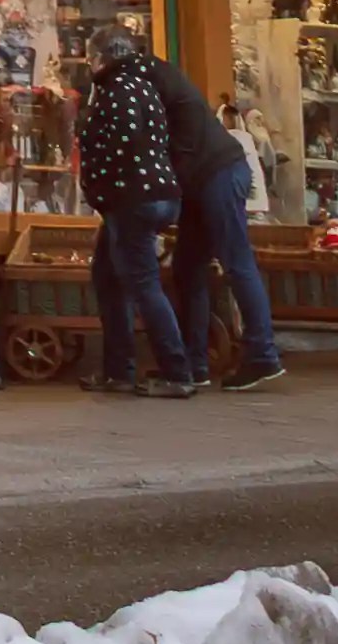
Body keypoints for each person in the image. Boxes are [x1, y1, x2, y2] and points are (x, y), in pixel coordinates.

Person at [73, 22, 192, 395]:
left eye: (92, 57)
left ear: (104, 58)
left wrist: (99, 187)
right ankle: (118, 370)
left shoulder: (117, 91)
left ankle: (176, 372)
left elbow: (123, 146)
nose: (89, 64)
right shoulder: (142, 85)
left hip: (132, 198)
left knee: (142, 283)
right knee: (109, 277)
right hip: (151, 194)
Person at [161, 46, 284, 390]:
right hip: (208, 178)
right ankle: (195, 362)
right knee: (188, 265)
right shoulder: (163, 84)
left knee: (237, 261)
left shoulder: (152, 90)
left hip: (218, 175)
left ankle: (263, 354)